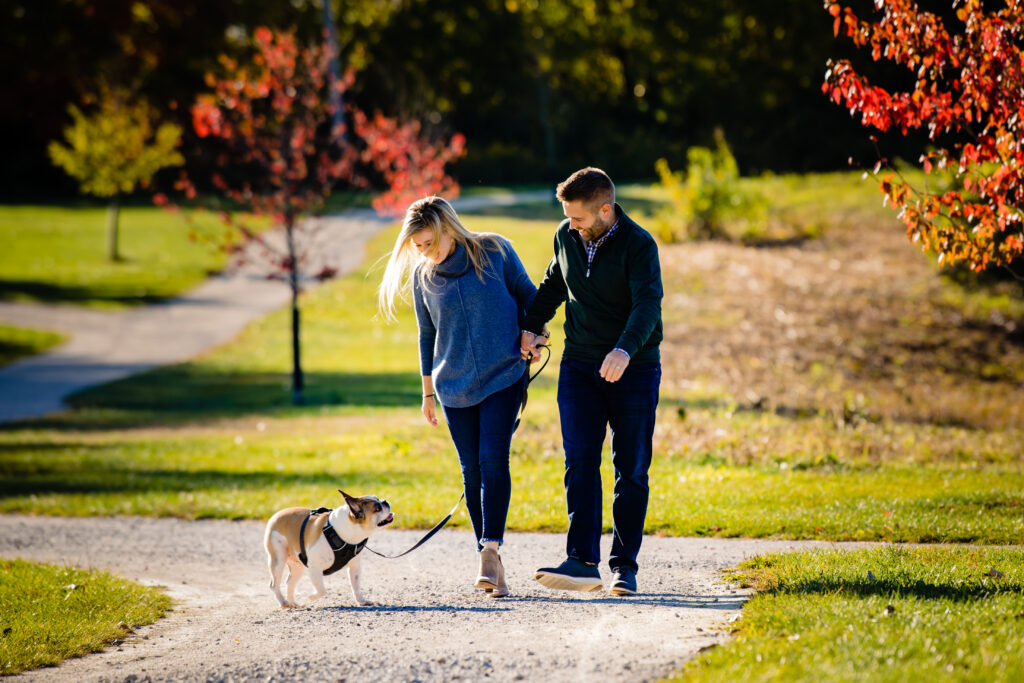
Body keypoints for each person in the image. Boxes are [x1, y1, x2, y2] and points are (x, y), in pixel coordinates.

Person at [378, 195, 538, 598]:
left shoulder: (494, 250)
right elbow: (426, 334)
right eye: (417, 247)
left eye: (429, 243)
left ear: (448, 228)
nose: (424, 253)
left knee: (492, 458)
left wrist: (535, 333)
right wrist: (427, 391)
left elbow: (530, 296)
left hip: (504, 374)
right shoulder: (423, 276)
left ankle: (489, 549)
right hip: (453, 387)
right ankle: (492, 563)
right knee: (471, 471)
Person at [520, 167, 663, 596]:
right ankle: (582, 561)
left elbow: (647, 306)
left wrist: (623, 350)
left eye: (579, 217)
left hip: (633, 368)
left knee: (631, 468)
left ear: (605, 209)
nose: (571, 224)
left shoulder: (639, 245)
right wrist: (531, 325)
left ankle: (625, 567)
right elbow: (552, 286)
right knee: (580, 461)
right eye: (567, 216)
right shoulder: (566, 236)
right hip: (580, 366)